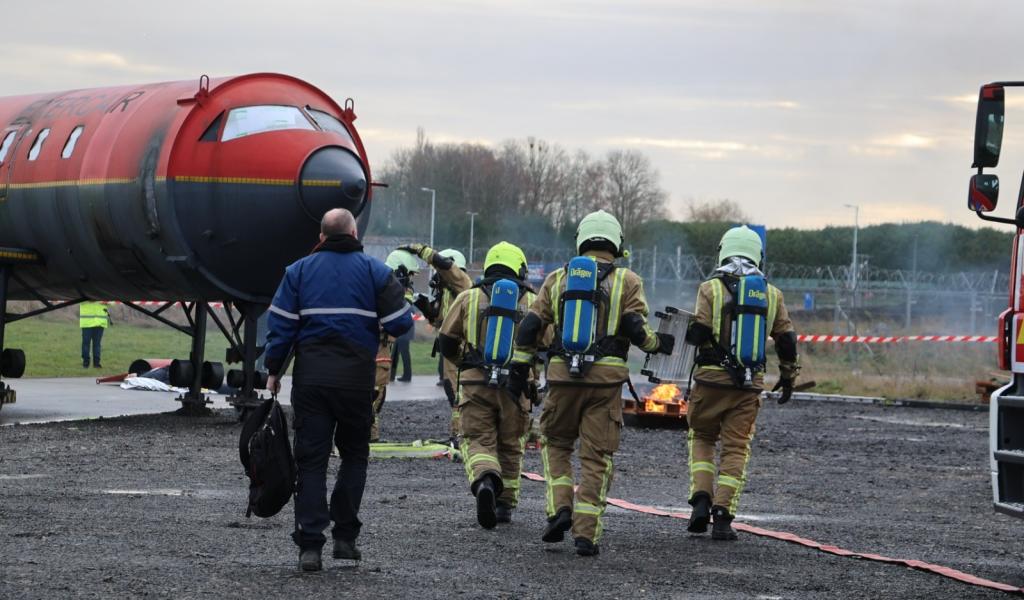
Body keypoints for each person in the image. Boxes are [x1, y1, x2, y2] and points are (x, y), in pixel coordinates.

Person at [513, 210, 674, 556]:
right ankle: (586, 534)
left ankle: (559, 510)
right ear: (616, 244)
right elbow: (635, 327)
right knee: (596, 457)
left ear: (582, 240)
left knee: (556, 445)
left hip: (562, 381)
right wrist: (657, 344)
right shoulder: (627, 281)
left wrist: (521, 366)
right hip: (605, 385)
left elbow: (528, 328)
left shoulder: (558, 278)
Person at [263, 208, 413, 572]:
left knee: (310, 462)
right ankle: (345, 538)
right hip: (356, 382)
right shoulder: (376, 272)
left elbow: (281, 327)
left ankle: (310, 546)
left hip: (311, 381)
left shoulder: (297, 272)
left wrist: (273, 371)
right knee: (354, 456)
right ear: (354, 231)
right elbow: (402, 324)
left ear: (322, 236)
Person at [683, 225, 799, 541]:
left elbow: (699, 332)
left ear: (724, 251)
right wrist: (788, 376)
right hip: (748, 386)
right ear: (757, 256)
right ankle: (722, 516)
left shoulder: (710, 289)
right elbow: (787, 339)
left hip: (710, 381)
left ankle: (701, 500)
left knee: (702, 437)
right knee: (736, 447)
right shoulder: (772, 294)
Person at [438, 242, 538, 528]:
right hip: (517, 387)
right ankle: (505, 506)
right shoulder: (531, 302)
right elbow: (546, 342)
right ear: (520, 268)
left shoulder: (468, 297)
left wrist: (464, 362)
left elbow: (446, 339)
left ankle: (485, 481)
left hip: (474, 383)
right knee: (510, 445)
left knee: (478, 440)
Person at [400, 244, 473, 444]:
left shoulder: (463, 284)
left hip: (464, 349)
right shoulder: (449, 293)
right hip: (451, 349)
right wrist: (428, 310)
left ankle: (464, 435)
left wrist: (422, 250)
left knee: (463, 393)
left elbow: (445, 266)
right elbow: (441, 321)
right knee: (453, 393)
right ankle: (458, 434)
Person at [371, 249, 420, 442]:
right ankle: (366, 435)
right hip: (376, 351)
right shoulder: (386, 292)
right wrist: (406, 298)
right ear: (399, 272)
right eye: (408, 276)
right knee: (374, 394)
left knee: (374, 395)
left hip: (377, 349)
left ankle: (369, 435)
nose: (410, 281)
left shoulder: (379, 286)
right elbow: (401, 321)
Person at [79, 301, 111, 368]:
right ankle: (85, 363)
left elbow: (113, 300)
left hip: (100, 322)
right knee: (86, 343)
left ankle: (96, 364)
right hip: (87, 322)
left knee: (97, 344)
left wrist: (108, 302)